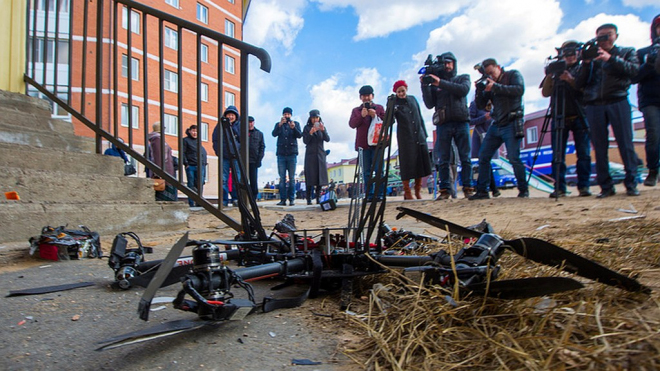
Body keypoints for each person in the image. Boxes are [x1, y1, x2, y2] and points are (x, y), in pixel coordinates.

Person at [575, 23, 640, 198]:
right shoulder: (591, 58)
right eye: (600, 37)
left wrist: (609, 58)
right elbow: (579, 84)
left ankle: (632, 183)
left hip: (617, 99)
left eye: (607, 35)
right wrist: (586, 63)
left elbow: (634, 71)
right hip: (594, 104)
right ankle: (606, 186)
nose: (603, 40)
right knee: (599, 147)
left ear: (615, 36)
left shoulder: (627, 52)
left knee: (625, 144)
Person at [469, 58, 528, 200]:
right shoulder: (489, 83)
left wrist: (495, 87)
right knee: (483, 156)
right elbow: (482, 105)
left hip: (512, 121)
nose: (491, 76)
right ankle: (482, 191)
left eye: (492, 72)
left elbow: (519, 90)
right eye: (488, 74)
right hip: (497, 123)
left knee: (514, 157)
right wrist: (479, 91)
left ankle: (523, 190)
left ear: (499, 67)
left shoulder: (513, 75)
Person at [541, 40, 592, 198]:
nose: (569, 57)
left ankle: (584, 187)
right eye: (566, 54)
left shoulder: (583, 68)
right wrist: (550, 75)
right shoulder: (556, 71)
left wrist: (570, 79)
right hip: (559, 115)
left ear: (578, 53)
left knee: (583, 153)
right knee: (557, 155)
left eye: (572, 53)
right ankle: (559, 187)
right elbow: (546, 92)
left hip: (579, 114)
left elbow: (587, 89)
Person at [420, 52, 473, 199]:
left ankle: (468, 188)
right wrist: (425, 85)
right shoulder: (435, 83)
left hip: (461, 121)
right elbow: (430, 104)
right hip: (443, 123)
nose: (448, 66)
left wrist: (440, 83)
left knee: (465, 158)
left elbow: (463, 90)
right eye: (445, 63)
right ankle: (445, 190)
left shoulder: (463, 78)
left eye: (450, 63)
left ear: (454, 64)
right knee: (443, 159)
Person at [391, 80, 432, 199]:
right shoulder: (395, 104)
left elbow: (419, 116)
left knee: (420, 164)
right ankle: (407, 191)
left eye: (402, 91)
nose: (401, 93)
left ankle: (417, 191)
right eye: (398, 92)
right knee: (407, 164)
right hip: (405, 138)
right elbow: (391, 121)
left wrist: (424, 134)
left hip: (418, 135)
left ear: (406, 89)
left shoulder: (413, 99)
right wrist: (392, 108)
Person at [632, 15, 660, 187]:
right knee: (654, 135)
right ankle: (653, 171)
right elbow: (634, 77)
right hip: (651, 100)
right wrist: (649, 63)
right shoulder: (643, 53)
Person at [349, 85, 386, 200]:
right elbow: (352, 124)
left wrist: (375, 115)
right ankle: (369, 195)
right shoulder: (356, 110)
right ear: (360, 97)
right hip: (363, 145)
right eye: (363, 96)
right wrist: (361, 116)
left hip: (378, 144)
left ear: (372, 96)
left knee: (379, 170)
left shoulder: (379, 108)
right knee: (366, 172)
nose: (366, 98)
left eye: (368, 95)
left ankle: (379, 194)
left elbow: (387, 121)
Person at [469, 100, 500, 197]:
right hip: (480, 136)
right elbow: (469, 120)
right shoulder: (475, 104)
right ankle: (491, 189)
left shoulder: (496, 102)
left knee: (486, 161)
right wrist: (484, 118)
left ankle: (488, 188)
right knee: (484, 160)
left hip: (492, 135)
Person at [212, 105, 241, 207]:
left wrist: (239, 151)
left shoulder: (239, 126)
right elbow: (215, 139)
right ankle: (224, 200)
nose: (230, 117)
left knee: (236, 178)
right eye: (229, 114)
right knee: (223, 179)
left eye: (232, 115)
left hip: (236, 156)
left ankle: (236, 198)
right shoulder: (220, 125)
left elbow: (244, 141)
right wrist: (218, 152)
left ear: (236, 116)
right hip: (224, 156)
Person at [272, 107, 302, 206]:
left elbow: (299, 135)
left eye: (288, 114)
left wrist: (294, 128)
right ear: (282, 115)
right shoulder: (278, 124)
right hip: (281, 154)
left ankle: (292, 199)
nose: (287, 116)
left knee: (292, 178)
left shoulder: (295, 124)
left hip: (292, 154)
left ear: (291, 115)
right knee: (282, 179)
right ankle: (283, 199)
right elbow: (274, 134)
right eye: (285, 114)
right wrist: (280, 125)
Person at [302, 109, 330, 205]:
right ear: (310, 118)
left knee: (320, 177)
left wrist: (323, 130)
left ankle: (318, 198)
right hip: (310, 155)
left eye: (316, 117)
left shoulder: (322, 127)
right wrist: (311, 133)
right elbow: (305, 141)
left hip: (320, 155)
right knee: (310, 177)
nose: (315, 119)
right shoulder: (306, 128)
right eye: (313, 118)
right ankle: (309, 198)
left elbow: (327, 139)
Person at [148, 121, 177, 201]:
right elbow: (158, 156)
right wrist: (158, 172)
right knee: (164, 194)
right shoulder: (157, 139)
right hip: (164, 171)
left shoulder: (158, 138)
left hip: (166, 170)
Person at [182, 124, 208, 207]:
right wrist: (186, 163)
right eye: (193, 131)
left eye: (196, 131)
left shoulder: (198, 141)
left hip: (200, 165)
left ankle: (199, 201)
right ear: (189, 131)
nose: (195, 133)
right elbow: (183, 152)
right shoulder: (185, 140)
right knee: (191, 184)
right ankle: (191, 202)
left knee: (200, 183)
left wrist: (204, 163)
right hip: (191, 165)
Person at [247, 116, 265, 197]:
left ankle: (253, 198)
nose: (250, 124)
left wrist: (259, 159)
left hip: (254, 161)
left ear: (254, 123)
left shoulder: (259, 134)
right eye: (248, 122)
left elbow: (262, 147)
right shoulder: (242, 132)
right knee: (242, 180)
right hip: (243, 161)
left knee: (253, 180)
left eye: (251, 122)